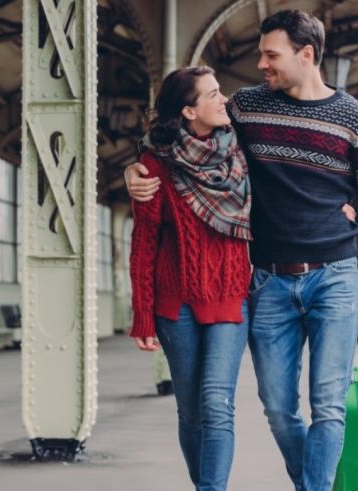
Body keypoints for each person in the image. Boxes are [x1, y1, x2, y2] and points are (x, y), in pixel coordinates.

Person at [126, 10, 358, 491]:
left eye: (271, 55)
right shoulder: (248, 107)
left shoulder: (357, 119)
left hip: (334, 274)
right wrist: (136, 167)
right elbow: (180, 128)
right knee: (277, 409)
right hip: (267, 279)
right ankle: (309, 478)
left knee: (329, 404)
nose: (261, 65)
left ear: (306, 55)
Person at [128, 66, 252, 491]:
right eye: (213, 94)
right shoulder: (155, 164)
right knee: (191, 412)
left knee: (217, 404)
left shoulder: (241, 150)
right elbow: (144, 243)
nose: (224, 100)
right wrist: (142, 314)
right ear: (187, 109)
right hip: (175, 304)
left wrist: (343, 203)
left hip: (230, 296)